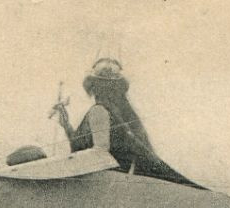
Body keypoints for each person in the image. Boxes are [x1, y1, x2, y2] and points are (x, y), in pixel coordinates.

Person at [49, 57, 198, 187]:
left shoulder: (99, 110)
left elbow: (100, 152)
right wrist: (66, 124)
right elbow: (83, 145)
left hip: (102, 182)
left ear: (94, 87)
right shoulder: (117, 113)